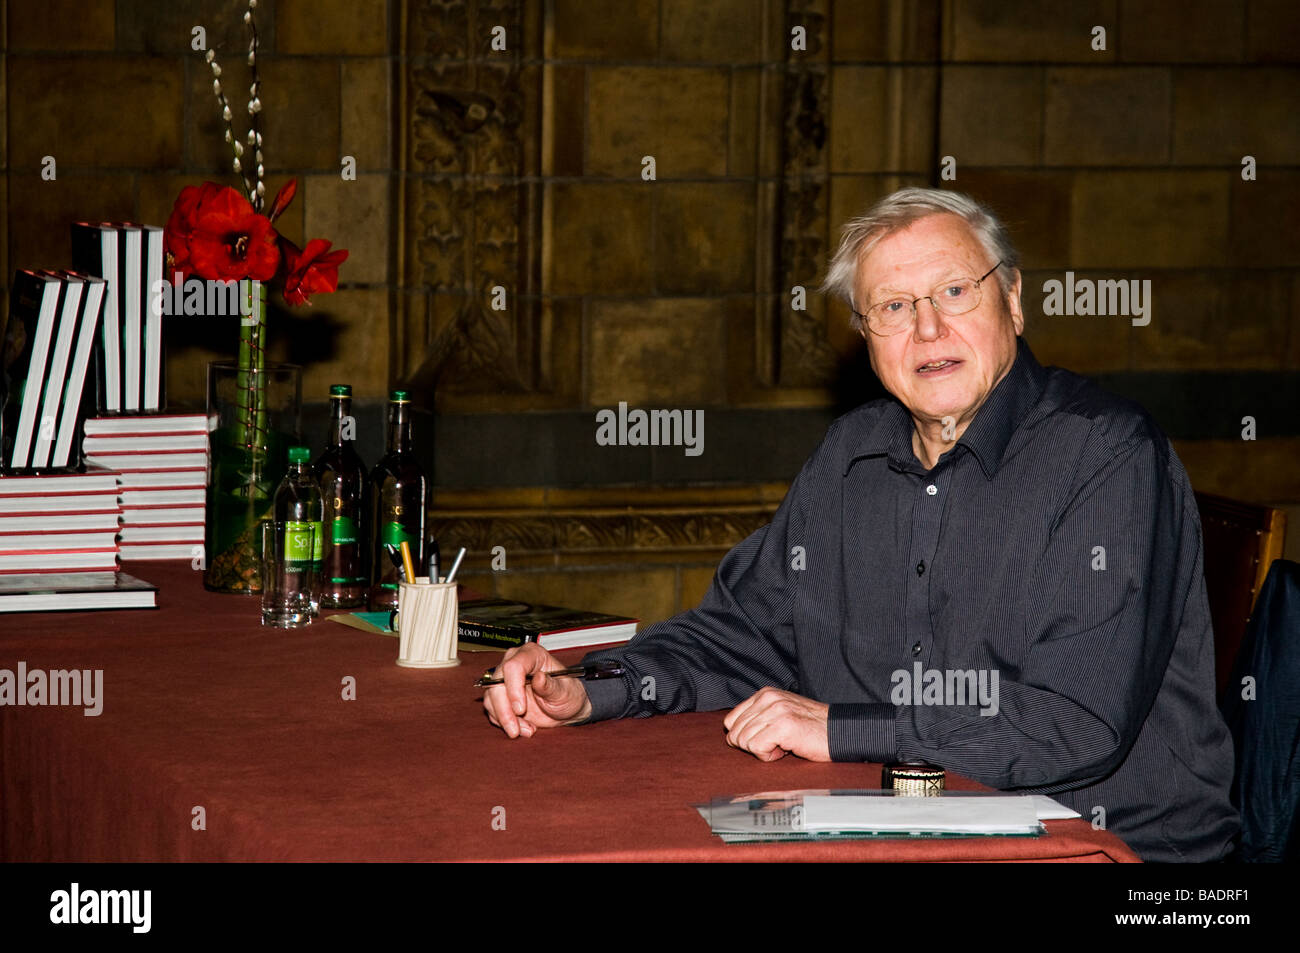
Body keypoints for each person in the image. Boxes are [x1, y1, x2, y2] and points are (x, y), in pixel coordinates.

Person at [481, 187, 1239, 862]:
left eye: (953, 290)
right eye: (894, 306)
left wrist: (843, 728)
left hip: (1111, 850)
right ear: (867, 338)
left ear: (1012, 299)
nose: (929, 327)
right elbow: (746, 630)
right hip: (900, 828)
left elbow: (1072, 721)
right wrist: (592, 687)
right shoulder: (852, 453)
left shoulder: (1106, 453)